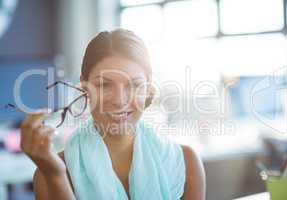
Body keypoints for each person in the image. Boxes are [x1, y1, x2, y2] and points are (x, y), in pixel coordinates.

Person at [20, 29, 206, 200]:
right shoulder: (51, 173)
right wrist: (56, 176)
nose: (119, 100)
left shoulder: (185, 162)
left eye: (134, 85)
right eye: (104, 85)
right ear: (85, 88)